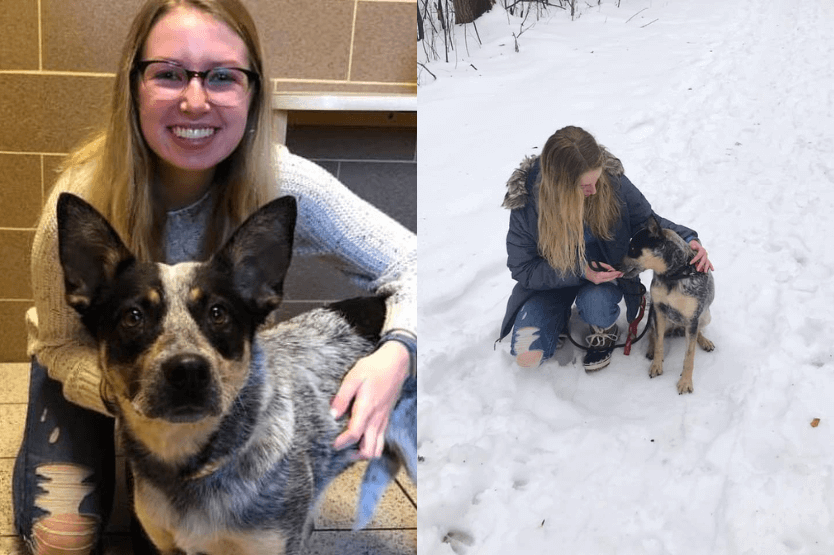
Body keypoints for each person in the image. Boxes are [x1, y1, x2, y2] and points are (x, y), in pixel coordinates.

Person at [13, 1, 416, 553]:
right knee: (65, 540)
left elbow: (420, 261)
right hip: (86, 370)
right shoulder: (80, 195)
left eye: (222, 76)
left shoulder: (284, 179)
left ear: (251, 93)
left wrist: (398, 349)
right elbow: (60, 344)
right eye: (170, 74)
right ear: (133, 87)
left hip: (222, 402)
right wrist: (123, 395)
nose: (195, 98)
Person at [497, 125, 712, 372]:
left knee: (597, 307)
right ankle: (555, 316)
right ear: (558, 186)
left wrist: (688, 241)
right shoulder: (528, 206)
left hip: (600, 281)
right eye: (583, 186)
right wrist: (579, 271)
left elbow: (648, 221)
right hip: (551, 282)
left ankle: (603, 328)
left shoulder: (611, 182)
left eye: (596, 180)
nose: (594, 190)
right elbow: (523, 268)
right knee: (527, 354)